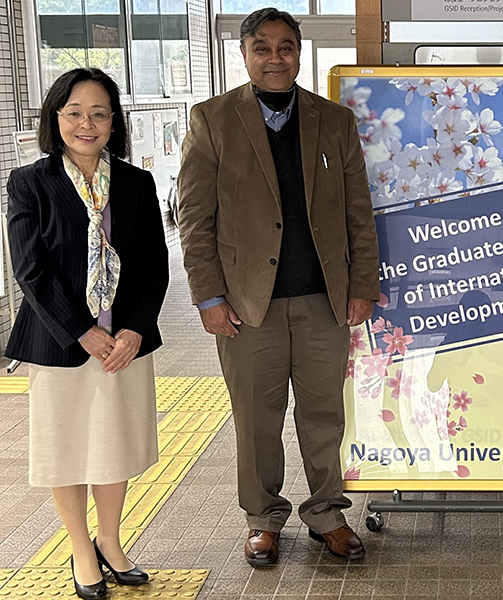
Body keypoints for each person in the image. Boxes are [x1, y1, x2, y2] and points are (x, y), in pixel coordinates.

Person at [177, 7, 379, 566]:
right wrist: (209, 298)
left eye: (285, 47)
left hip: (323, 300)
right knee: (256, 417)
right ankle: (263, 518)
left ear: (298, 52)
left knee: (323, 415)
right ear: (244, 55)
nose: (275, 58)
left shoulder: (333, 121)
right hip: (246, 305)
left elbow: (359, 213)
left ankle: (326, 513)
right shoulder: (212, 119)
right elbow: (195, 218)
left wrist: (362, 283)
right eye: (262, 48)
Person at [5, 68, 169, 599]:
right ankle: (81, 548)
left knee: (114, 446)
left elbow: (153, 267)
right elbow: (30, 271)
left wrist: (134, 331)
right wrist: (82, 331)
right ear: (56, 118)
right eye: (74, 112)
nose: (86, 123)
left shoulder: (137, 183)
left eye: (99, 113)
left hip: (123, 343)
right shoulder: (30, 182)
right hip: (60, 343)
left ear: (114, 121)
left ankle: (111, 541)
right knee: (67, 448)